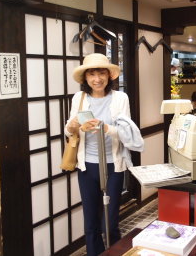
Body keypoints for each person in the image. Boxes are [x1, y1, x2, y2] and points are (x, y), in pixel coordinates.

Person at [64, 53, 143, 256]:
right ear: (85, 78)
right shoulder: (79, 98)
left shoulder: (120, 98)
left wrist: (106, 128)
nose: (97, 79)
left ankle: (115, 252)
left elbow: (127, 132)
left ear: (109, 76)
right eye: (92, 74)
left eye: (101, 73)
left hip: (113, 165)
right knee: (90, 221)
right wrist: (72, 125)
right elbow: (69, 130)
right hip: (87, 165)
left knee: (110, 219)